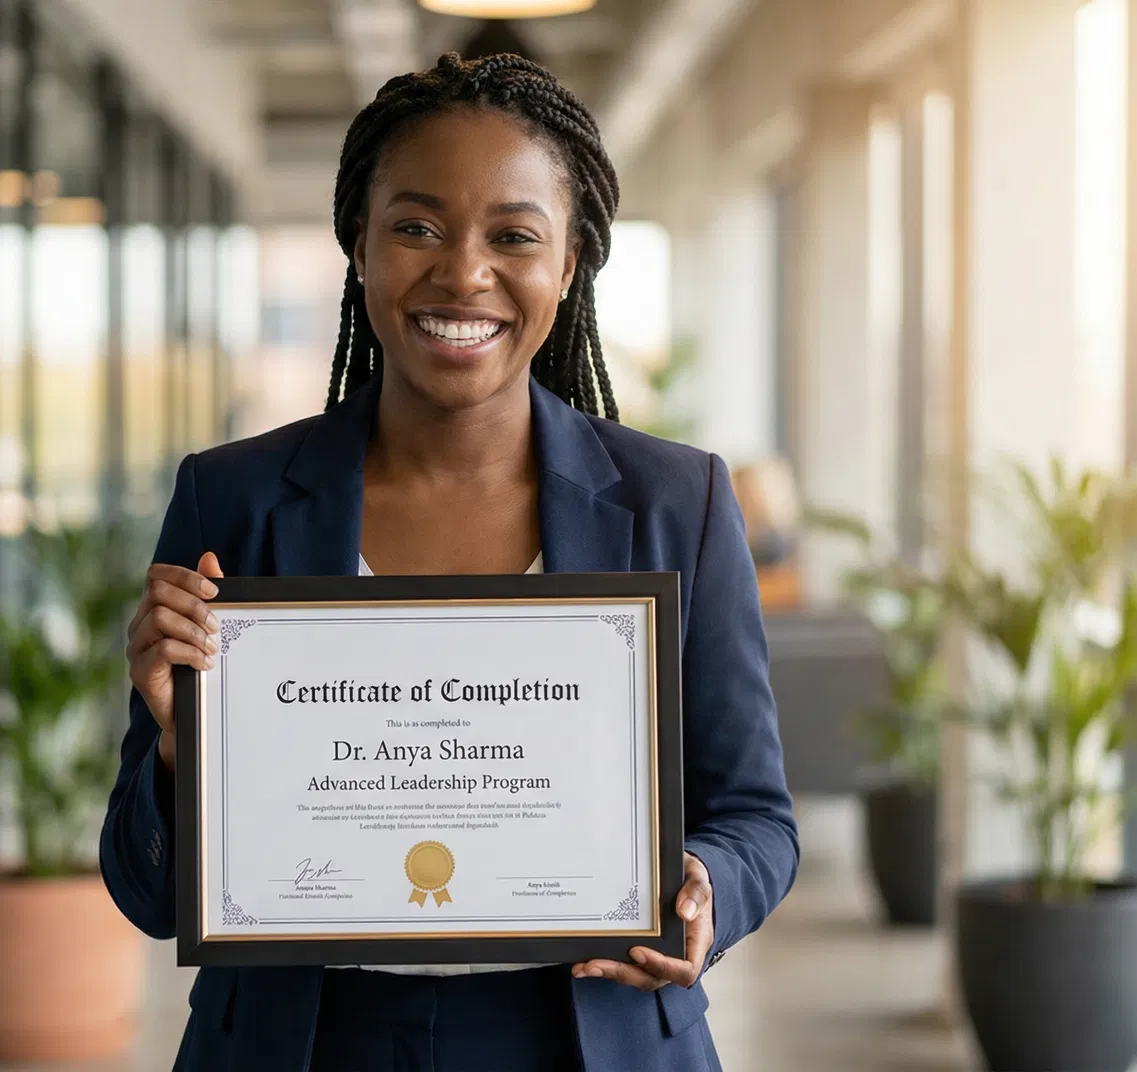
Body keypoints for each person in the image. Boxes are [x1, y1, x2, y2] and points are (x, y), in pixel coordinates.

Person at [99, 51, 799, 1072]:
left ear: (567, 265)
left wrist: (704, 884)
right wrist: (175, 747)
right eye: (416, 227)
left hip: (585, 1039)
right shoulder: (233, 501)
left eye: (512, 235)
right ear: (360, 247)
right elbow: (147, 893)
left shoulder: (675, 503)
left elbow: (756, 819)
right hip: (305, 1043)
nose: (463, 273)